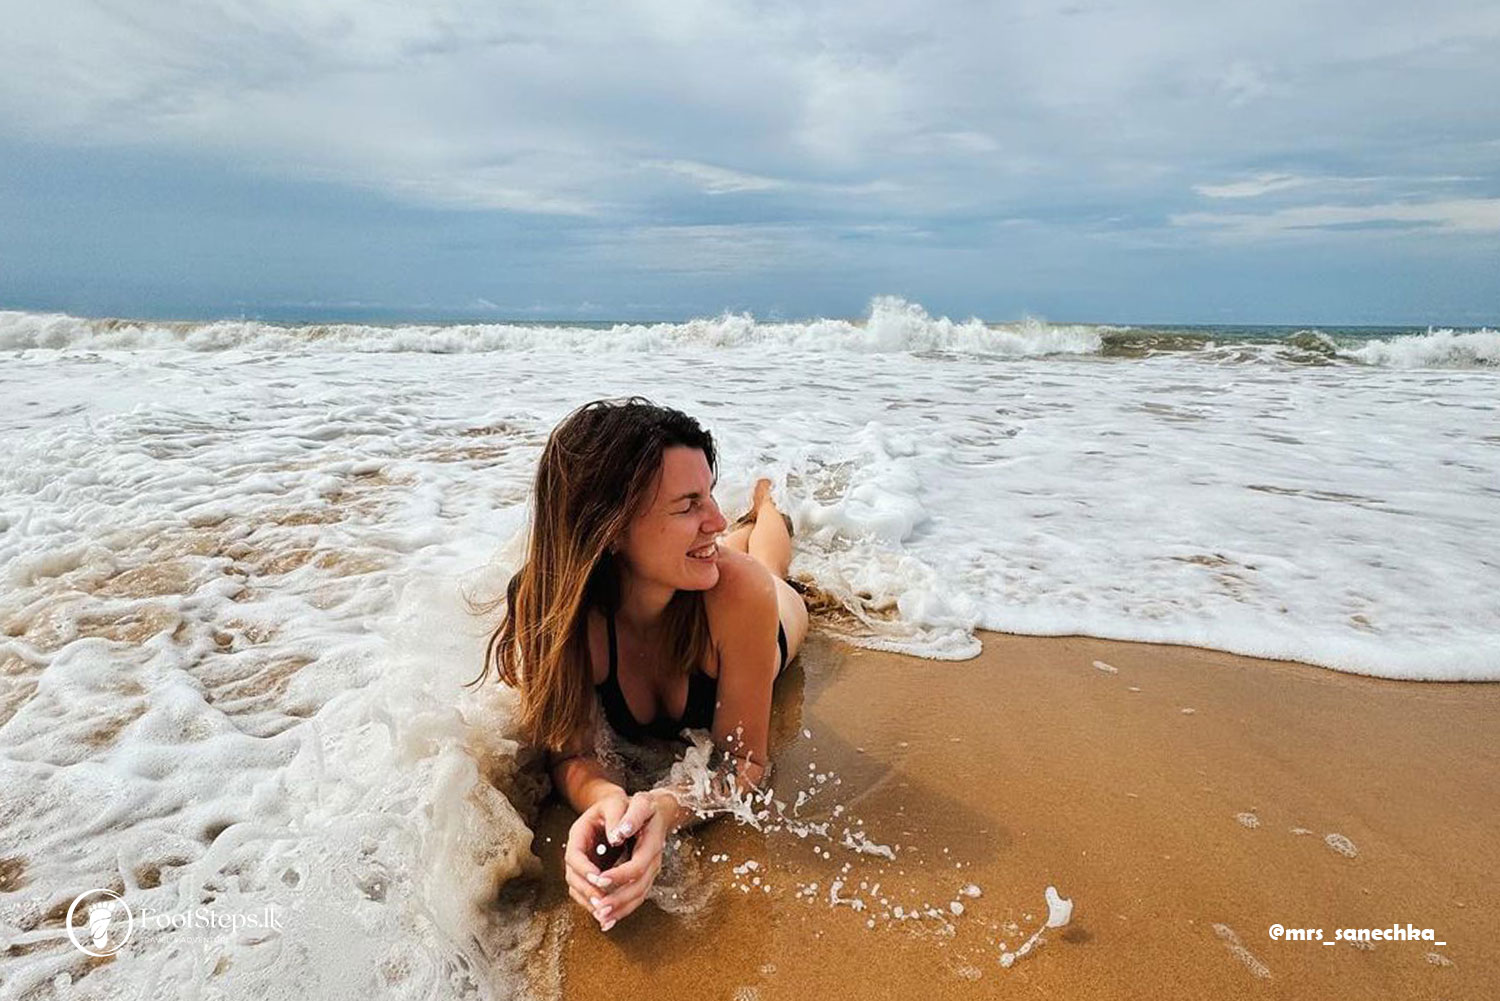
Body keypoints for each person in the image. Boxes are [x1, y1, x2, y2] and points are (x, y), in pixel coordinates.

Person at [474, 398, 809, 931]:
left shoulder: (738, 591)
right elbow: (574, 752)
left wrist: (665, 807)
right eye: (688, 505)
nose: (713, 519)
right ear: (609, 528)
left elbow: (744, 763)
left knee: (771, 568)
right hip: (692, 580)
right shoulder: (552, 609)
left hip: (763, 628)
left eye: (712, 497)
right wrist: (607, 803)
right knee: (726, 549)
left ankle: (767, 505)